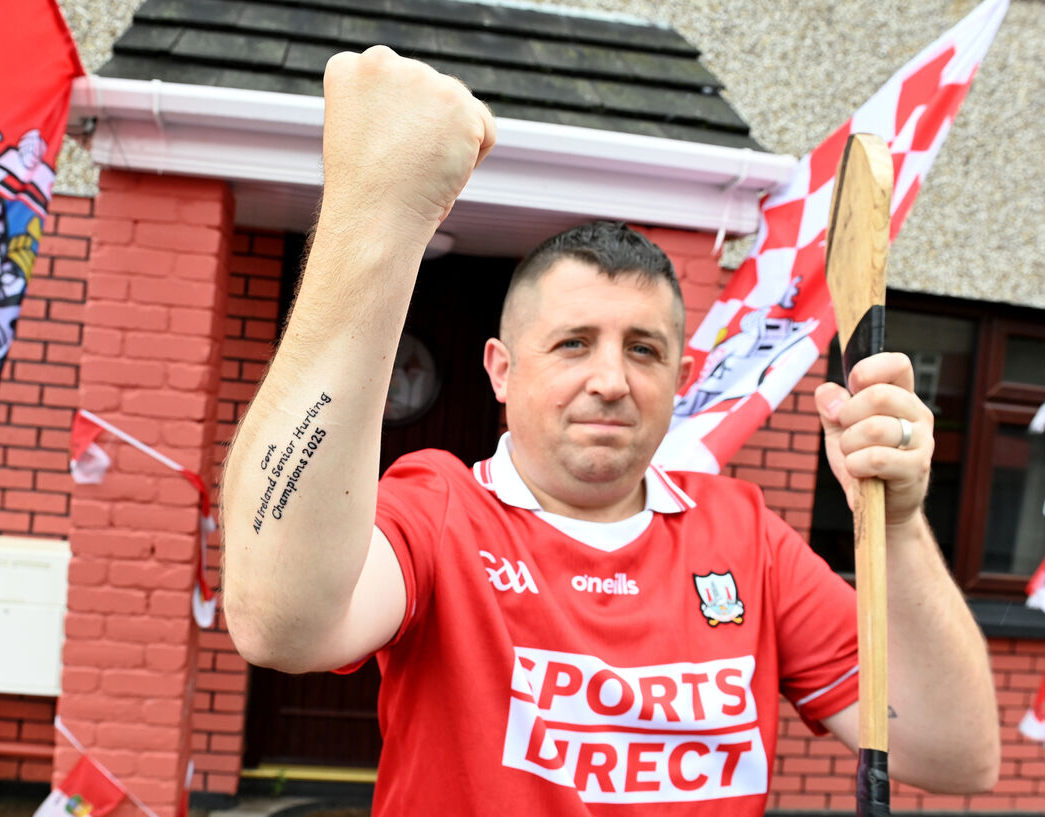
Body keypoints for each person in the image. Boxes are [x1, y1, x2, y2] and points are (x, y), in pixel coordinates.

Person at [221, 46, 999, 814]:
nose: (610, 380)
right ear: (500, 368)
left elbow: (955, 753)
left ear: (679, 375)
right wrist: (371, 215)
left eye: (643, 349)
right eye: (572, 343)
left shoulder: (746, 537)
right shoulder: (439, 509)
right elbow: (279, 622)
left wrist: (895, 524)